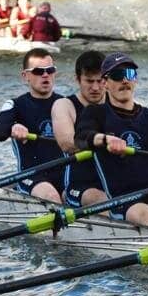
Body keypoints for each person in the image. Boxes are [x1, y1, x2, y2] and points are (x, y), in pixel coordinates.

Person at [75, 53, 148, 228]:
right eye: (117, 76)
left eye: (130, 74)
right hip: (122, 199)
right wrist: (105, 139)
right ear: (105, 83)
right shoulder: (96, 113)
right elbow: (81, 138)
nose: (125, 81)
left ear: (135, 80)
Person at [0, 48, 65, 202]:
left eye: (50, 70)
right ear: (25, 76)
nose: (45, 75)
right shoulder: (15, 105)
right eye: (38, 71)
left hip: (66, 173)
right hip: (31, 176)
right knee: (52, 196)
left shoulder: (66, 104)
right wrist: (12, 128)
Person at [50, 50, 107, 207]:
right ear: (77, 79)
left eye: (100, 80)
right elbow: (67, 144)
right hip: (80, 186)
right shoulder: (64, 105)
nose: (95, 87)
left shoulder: (117, 104)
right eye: (89, 81)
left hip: (115, 182)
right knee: (104, 200)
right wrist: (105, 141)